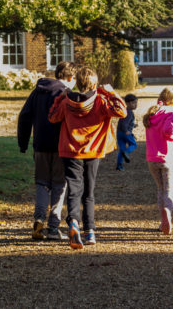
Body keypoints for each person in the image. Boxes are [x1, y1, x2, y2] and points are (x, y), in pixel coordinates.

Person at [48, 66, 127, 249]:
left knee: (74, 189)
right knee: (89, 193)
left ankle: (73, 222)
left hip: (70, 151)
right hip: (93, 151)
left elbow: (52, 117)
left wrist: (60, 96)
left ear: (77, 82)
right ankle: (89, 230)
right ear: (95, 83)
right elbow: (121, 111)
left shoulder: (66, 101)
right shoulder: (100, 101)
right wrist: (111, 92)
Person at [17, 61, 77, 241]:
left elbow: (24, 117)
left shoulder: (37, 91)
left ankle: (39, 219)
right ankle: (53, 227)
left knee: (42, 183)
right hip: (61, 146)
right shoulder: (66, 94)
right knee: (59, 185)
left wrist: (23, 142)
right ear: (70, 78)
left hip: (40, 145)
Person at [143, 87, 173, 235]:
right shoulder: (170, 113)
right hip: (167, 158)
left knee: (160, 189)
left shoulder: (151, 114)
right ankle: (168, 215)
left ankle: (162, 219)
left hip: (152, 159)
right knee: (169, 188)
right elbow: (168, 131)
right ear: (172, 101)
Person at [116, 94, 138, 171]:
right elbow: (124, 124)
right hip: (125, 133)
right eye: (133, 103)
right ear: (127, 103)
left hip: (119, 133)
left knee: (122, 148)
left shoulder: (124, 111)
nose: (135, 105)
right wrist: (126, 131)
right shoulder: (130, 113)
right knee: (133, 144)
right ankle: (126, 152)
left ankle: (119, 165)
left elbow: (124, 122)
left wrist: (133, 125)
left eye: (136, 103)